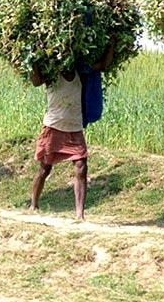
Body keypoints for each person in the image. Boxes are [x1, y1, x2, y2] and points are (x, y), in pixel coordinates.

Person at [29, 42, 115, 220]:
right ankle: (33, 204)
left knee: (81, 166)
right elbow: (36, 81)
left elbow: (103, 65)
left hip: (74, 128)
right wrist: (33, 59)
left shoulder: (80, 73)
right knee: (45, 169)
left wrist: (111, 43)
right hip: (53, 127)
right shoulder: (52, 74)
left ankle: (79, 214)